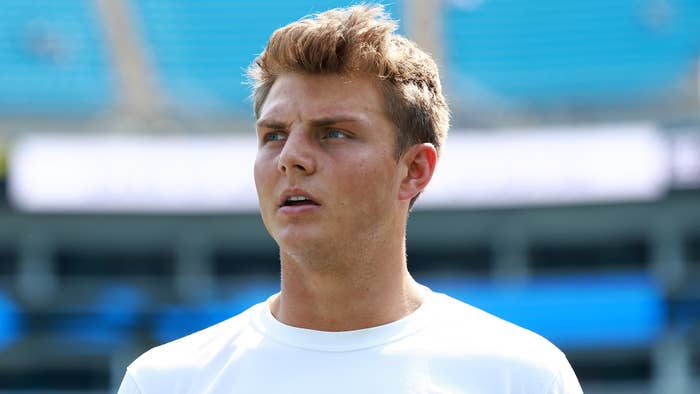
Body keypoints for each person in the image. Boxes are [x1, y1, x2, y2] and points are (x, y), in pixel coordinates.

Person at [118, 5, 582, 393]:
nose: (291, 158)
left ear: (414, 170)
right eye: (274, 135)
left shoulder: (521, 376)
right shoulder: (166, 382)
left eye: (334, 133)